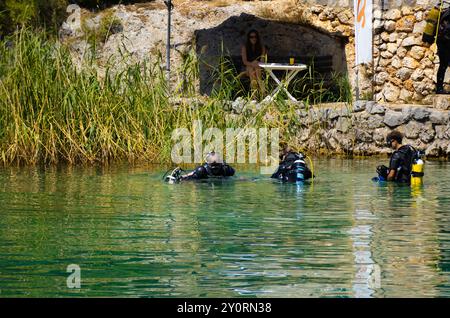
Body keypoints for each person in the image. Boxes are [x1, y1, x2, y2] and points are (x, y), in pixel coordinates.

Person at [165, 151, 235, 183]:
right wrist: (179, 178)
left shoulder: (226, 169)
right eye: (213, 161)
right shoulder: (202, 170)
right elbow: (191, 176)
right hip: (203, 181)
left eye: (216, 162)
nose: (214, 163)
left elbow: (237, 178)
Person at [241, 29, 267, 97]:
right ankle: (262, 93)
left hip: (259, 67)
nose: (253, 38)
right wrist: (253, 63)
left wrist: (256, 63)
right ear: (248, 38)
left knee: (254, 71)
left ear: (257, 38)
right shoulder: (245, 47)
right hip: (248, 67)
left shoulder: (262, 47)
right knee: (251, 69)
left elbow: (262, 60)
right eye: (251, 37)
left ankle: (254, 96)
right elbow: (245, 61)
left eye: (255, 37)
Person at [436, 6, 450, 94]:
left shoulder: (446, 11)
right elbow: (447, 30)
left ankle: (439, 88)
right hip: (445, 43)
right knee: (443, 65)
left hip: (442, 42)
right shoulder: (448, 14)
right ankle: (439, 88)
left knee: (443, 65)